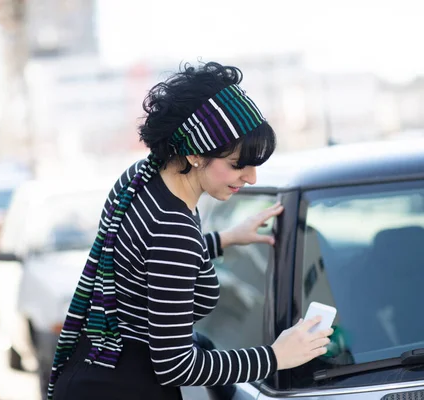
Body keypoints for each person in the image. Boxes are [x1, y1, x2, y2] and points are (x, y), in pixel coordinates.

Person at [47, 61, 333, 400]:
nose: (252, 177)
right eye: (237, 164)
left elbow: (143, 260)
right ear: (196, 154)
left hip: (95, 369)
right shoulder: (174, 228)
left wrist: (224, 238)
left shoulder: (142, 176)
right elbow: (176, 366)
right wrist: (275, 357)